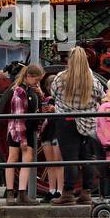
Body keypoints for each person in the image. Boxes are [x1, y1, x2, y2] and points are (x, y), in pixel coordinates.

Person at [50, 47, 107, 205]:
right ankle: (86, 192)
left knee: (70, 159)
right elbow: (101, 97)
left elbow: (53, 93)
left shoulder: (61, 78)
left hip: (66, 121)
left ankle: (67, 193)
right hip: (88, 122)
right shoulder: (93, 80)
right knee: (87, 158)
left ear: (70, 60)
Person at [4, 63, 45, 205]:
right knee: (13, 158)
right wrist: (23, 140)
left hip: (27, 129)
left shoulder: (30, 90)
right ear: (29, 76)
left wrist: (40, 93)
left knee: (24, 160)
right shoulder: (20, 92)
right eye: (37, 80)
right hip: (19, 130)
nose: (38, 83)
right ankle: (12, 192)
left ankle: (20, 193)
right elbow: (19, 117)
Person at [37, 73, 65, 201]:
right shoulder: (46, 100)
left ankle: (60, 190)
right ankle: (51, 189)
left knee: (58, 162)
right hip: (48, 130)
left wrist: (55, 109)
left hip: (58, 130)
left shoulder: (62, 101)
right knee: (50, 163)